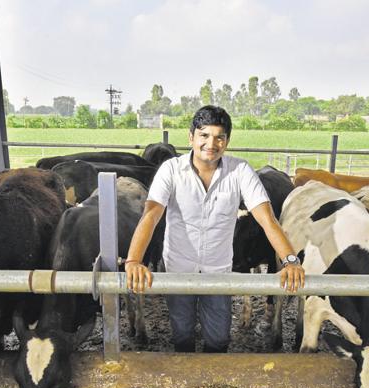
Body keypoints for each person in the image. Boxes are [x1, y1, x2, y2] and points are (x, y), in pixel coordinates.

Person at [125, 105, 304, 353]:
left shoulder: (240, 171)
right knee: (182, 334)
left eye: (219, 136)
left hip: (218, 270)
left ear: (227, 141)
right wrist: (134, 259)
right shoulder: (171, 170)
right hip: (179, 268)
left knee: (219, 338)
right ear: (191, 137)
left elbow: (267, 219)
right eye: (204, 135)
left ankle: (212, 378)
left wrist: (290, 260)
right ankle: (188, 378)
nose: (212, 143)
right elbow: (152, 214)